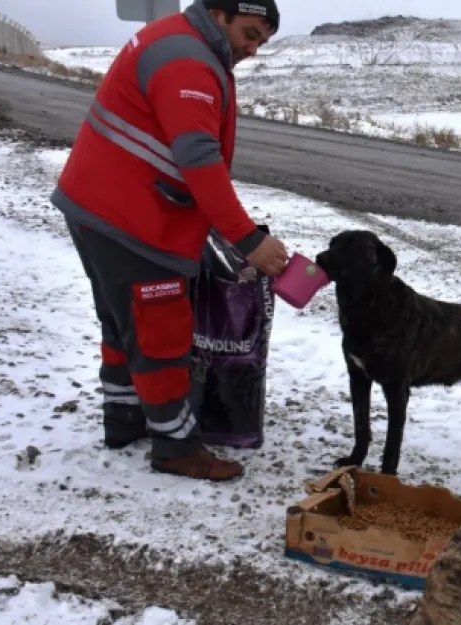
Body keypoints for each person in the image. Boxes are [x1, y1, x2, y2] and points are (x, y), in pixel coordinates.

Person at [50, 0, 287, 481]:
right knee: (161, 335)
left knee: (123, 324)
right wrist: (247, 239)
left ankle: (124, 418)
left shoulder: (181, 42)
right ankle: (176, 446)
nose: (253, 48)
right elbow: (198, 157)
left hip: (102, 207)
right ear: (219, 13)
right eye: (249, 32)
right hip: (132, 218)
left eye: (262, 40)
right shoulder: (189, 59)